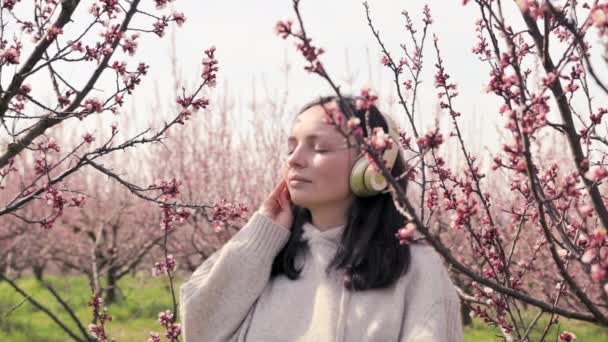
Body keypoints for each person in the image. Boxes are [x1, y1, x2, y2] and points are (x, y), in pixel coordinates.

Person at [179, 95, 463, 341]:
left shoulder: (416, 268)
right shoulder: (268, 259)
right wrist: (261, 234)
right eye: (292, 147)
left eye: (319, 148)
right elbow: (200, 331)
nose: (294, 160)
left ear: (371, 166)